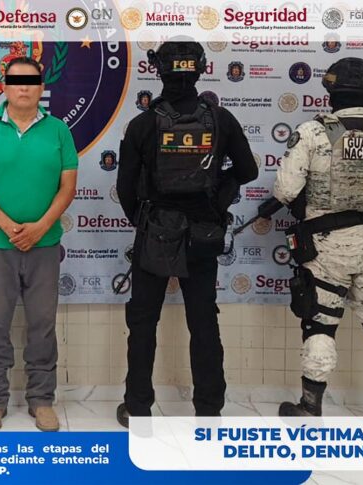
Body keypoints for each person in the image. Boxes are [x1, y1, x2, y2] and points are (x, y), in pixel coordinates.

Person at [116, 40, 258, 425]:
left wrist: (145, 220)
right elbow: (248, 171)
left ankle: (138, 408)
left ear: (158, 70)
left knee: (143, 322)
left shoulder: (142, 125)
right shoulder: (221, 119)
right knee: (203, 321)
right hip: (203, 234)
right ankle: (209, 411)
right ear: (201, 69)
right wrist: (216, 196)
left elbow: (125, 188)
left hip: (155, 232)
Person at [0, 56, 78, 432]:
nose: (23, 87)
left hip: (45, 245)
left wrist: (40, 227)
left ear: (42, 87)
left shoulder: (59, 131)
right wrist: (10, 227)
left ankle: (42, 400)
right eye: (15, 81)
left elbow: (68, 187)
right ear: (4, 87)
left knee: (42, 324)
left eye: (30, 81)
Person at [275, 58, 363, 417]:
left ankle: (310, 407)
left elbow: (286, 190)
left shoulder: (314, 131)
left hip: (326, 248)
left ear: (331, 91)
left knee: (320, 324)